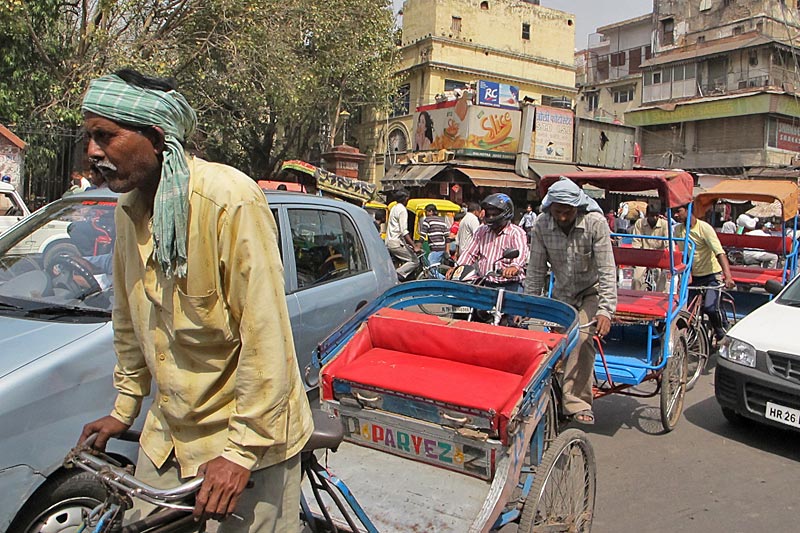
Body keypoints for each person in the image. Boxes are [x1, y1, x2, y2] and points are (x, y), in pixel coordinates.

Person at [77, 69, 313, 530]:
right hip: (170, 431)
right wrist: (124, 409)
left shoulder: (229, 200)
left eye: (105, 136)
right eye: (89, 137)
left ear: (157, 136)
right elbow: (128, 319)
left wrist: (241, 452)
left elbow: (266, 336)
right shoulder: (128, 210)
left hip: (249, 439)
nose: (92, 151)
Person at [525, 177, 617, 425]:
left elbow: (608, 270)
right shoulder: (542, 224)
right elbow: (535, 271)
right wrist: (528, 308)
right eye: (558, 211)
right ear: (550, 207)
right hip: (562, 294)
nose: (563, 217)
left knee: (582, 339)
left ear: (577, 208)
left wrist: (606, 311)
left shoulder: (595, 223)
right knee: (539, 340)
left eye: (568, 212)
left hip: (590, 292)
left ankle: (578, 402)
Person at [673, 204, 735, 343]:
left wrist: (728, 276)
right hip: (694, 276)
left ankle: (721, 333)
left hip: (711, 275)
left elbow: (719, 252)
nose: (675, 215)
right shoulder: (678, 230)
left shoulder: (704, 228)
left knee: (710, 308)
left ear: (689, 211)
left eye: (678, 211)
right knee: (687, 311)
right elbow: (682, 254)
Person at [451, 193, 528, 292]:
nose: (491, 217)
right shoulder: (481, 231)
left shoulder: (516, 232)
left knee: (512, 307)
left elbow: (521, 253)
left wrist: (514, 267)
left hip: (510, 286)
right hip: (486, 284)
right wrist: (458, 268)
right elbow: (470, 253)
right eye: (488, 214)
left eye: (494, 214)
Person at [631, 200, 670, 292]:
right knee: (636, 278)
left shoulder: (665, 224)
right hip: (643, 257)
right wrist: (635, 258)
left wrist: (667, 259)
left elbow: (668, 244)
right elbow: (636, 242)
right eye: (652, 215)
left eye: (657, 215)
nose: (655, 218)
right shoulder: (639, 223)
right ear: (647, 215)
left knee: (662, 276)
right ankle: (635, 296)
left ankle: (660, 297)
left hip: (659, 258)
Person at [385, 189, 418, 280]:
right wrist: (414, 245)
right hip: (396, 243)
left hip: (389, 242)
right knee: (414, 261)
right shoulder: (402, 210)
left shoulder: (394, 208)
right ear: (405, 199)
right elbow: (404, 231)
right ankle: (396, 275)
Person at [419, 203, 450, 268]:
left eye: (426, 212)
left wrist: (418, 246)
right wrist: (447, 250)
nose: (426, 214)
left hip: (435, 249)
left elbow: (423, 235)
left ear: (431, 211)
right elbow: (447, 237)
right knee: (435, 268)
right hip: (442, 248)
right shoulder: (442, 221)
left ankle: (442, 278)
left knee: (431, 269)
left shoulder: (427, 220)